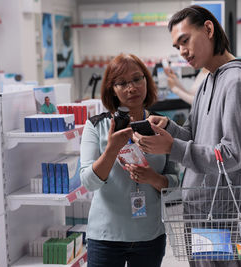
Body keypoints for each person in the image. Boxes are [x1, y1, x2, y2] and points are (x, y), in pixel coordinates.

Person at [132, 5, 241, 267]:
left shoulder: (237, 82)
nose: (182, 51)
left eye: (185, 41)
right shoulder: (208, 80)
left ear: (208, 29)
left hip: (218, 208)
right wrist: (169, 127)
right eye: (177, 46)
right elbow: (194, 135)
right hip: (199, 203)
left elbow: (232, 155)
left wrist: (173, 147)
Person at [79, 53, 179, 267]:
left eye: (137, 79)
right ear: (111, 90)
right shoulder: (96, 126)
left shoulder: (160, 125)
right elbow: (88, 182)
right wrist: (111, 149)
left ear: (146, 80)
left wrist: (154, 179)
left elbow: (176, 182)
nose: (131, 88)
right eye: (122, 83)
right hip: (105, 237)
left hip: (149, 236)